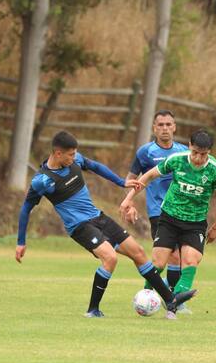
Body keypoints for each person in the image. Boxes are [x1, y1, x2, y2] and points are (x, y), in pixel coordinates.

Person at [15, 130, 196, 319]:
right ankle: (93, 310)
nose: (74, 157)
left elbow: (95, 166)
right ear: (58, 153)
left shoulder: (76, 160)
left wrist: (121, 182)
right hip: (79, 227)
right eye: (70, 154)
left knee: (139, 253)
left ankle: (170, 301)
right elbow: (26, 208)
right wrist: (21, 241)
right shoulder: (42, 181)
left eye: (75, 153)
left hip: (98, 217)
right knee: (110, 258)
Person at [120, 129, 216, 300]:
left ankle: (175, 301)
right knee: (158, 264)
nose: (198, 158)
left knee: (190, 262)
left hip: (195, 223)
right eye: (195, 152)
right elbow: (148, 176)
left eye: (203, 154)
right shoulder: (177, 160)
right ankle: (146, 297)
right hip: (169, 218)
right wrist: (128, 199)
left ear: (210, 151)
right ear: (189, 146)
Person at [124, 109, 189, 309]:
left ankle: (172, 298)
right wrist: (130, 203)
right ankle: (153, 296)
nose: (165, 129)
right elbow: (131, 179)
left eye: (169, 125)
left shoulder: (184, 152)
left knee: (177, 257)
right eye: (160, 125)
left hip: (181, 212)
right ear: (154, 128)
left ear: (175, 127)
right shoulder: (145, 152)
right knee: (166, 257)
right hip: (158, 212)